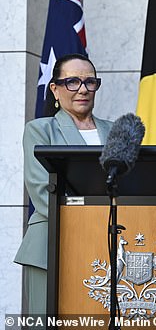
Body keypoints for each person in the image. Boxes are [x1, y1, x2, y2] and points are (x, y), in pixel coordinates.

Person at [14, 53, 113, 313]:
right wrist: (94, 222)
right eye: (72, 82)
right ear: (55, 89)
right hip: (51, 245)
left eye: (90, 82)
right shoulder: (40, 130)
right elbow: (42, 191)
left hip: (108, 247)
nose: (82, 89)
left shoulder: (115, 131)